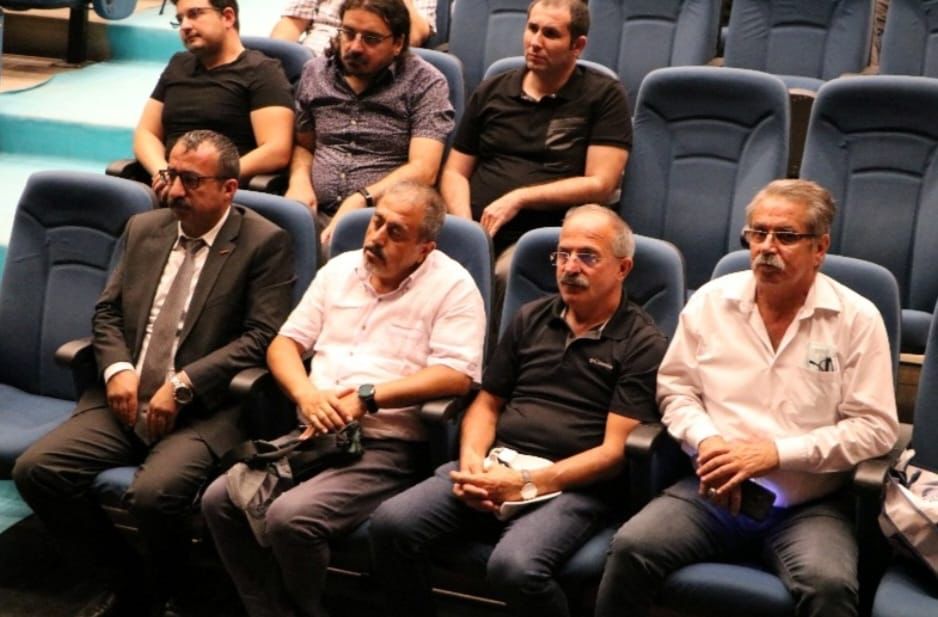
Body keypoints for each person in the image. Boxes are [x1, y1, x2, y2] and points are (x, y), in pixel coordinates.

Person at [13, 130, 296, 617]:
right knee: (38, 471)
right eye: (171, 174)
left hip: (204, 410)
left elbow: (260, 337)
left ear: (229, 188)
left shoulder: (264, 242)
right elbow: (107, 312)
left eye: (192, 180)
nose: (175, 190)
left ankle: (180, 594)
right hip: (125, 397)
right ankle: (128, 581)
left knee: (154, 495)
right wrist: (117, 368)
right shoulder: (144, 228)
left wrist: (184, 384)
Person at [595, 179, 900, 617]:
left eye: (786, 236)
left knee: (829, 587)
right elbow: (677, 390)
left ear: (820, 247)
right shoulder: (711, 302)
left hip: (807, 504)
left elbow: (875, 429)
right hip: (712, 491)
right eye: (758, 233)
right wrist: (708, 442)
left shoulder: (856, 319)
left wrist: (775, 454)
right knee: (631, 547)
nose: (767, 248)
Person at [201, 181, 486, 617]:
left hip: (387, 447)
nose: (377, 238)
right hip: (313, 434)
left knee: (291, 519)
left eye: (395, 232)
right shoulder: (340, 270)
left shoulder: (453, 287)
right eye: (377, 222)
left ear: (424, 249)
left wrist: (368, 398)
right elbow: (284, 345)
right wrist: (306, 395)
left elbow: (456, 375)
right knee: (221, 500)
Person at [370, 204, 668, 617]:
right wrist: (473, 465)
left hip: (573, 486)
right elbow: (486, 403)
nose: (570, 267)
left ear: (622, 268)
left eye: (587, 256)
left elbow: (613, 453)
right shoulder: (531, 318)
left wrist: (526, 482)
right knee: (391, 524)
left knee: (514, 567)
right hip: (497, 464)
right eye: (563, 254)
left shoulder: (642, 342)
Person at [440, 0, 631, 273]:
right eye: (532, 29)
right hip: (476, 228)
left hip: (542, 238)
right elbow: (455, 172)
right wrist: (469, 230)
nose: (535, 42)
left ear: (577, 46)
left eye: (550, 34)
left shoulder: (603, 96)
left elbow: (601, 183)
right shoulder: (492, 90)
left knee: (505, 274)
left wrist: (519, 198)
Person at [285, 0, 454, 246]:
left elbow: (424, 169)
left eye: (371, 39)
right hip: (312, 211)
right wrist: (299, 181)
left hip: (381, 220)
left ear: (397, 43)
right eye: (348, 33)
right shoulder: (315, 72)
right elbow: (304, 146)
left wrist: (362, 198)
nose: (355, 47)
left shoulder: (425, 83)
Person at [135, 0, 295, 190]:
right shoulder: (178, 64)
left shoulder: (263, 71)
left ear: (227, 17)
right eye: (180, 19)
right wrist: (163, 172)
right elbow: (146, 132)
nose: (185, 26)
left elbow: (276, 150)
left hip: (222, 193)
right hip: (168, 188)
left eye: (195, 14)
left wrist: (210, 180)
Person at [271, 0, 436, 54]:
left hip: (373, 64)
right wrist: (274, 61)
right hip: (315, 56)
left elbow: (413, 37)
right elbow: (292, 23)